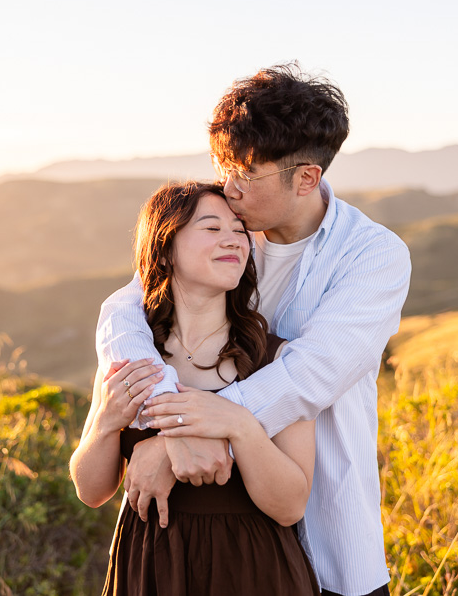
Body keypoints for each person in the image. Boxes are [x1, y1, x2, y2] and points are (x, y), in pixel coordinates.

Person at [97, 63, 411, 596]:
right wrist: (173, 430)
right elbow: (125, 311)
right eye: (223, 166)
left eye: (246, 172)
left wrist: (184, 435)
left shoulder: (372, 255)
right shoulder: (224, 236)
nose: (229, 186)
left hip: (329, 532)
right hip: (212, 543)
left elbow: (309, 376)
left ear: (307, 178)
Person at [71, 181, 319, 596]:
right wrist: (105, 425)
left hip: (251, 566)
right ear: (165, 248)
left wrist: (239, 427)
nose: (234, 240)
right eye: (211, 228)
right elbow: (91, 491)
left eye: (240, 231)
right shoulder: (131, 356)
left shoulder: (274, 359)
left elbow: (291, 505)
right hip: (152, 563)